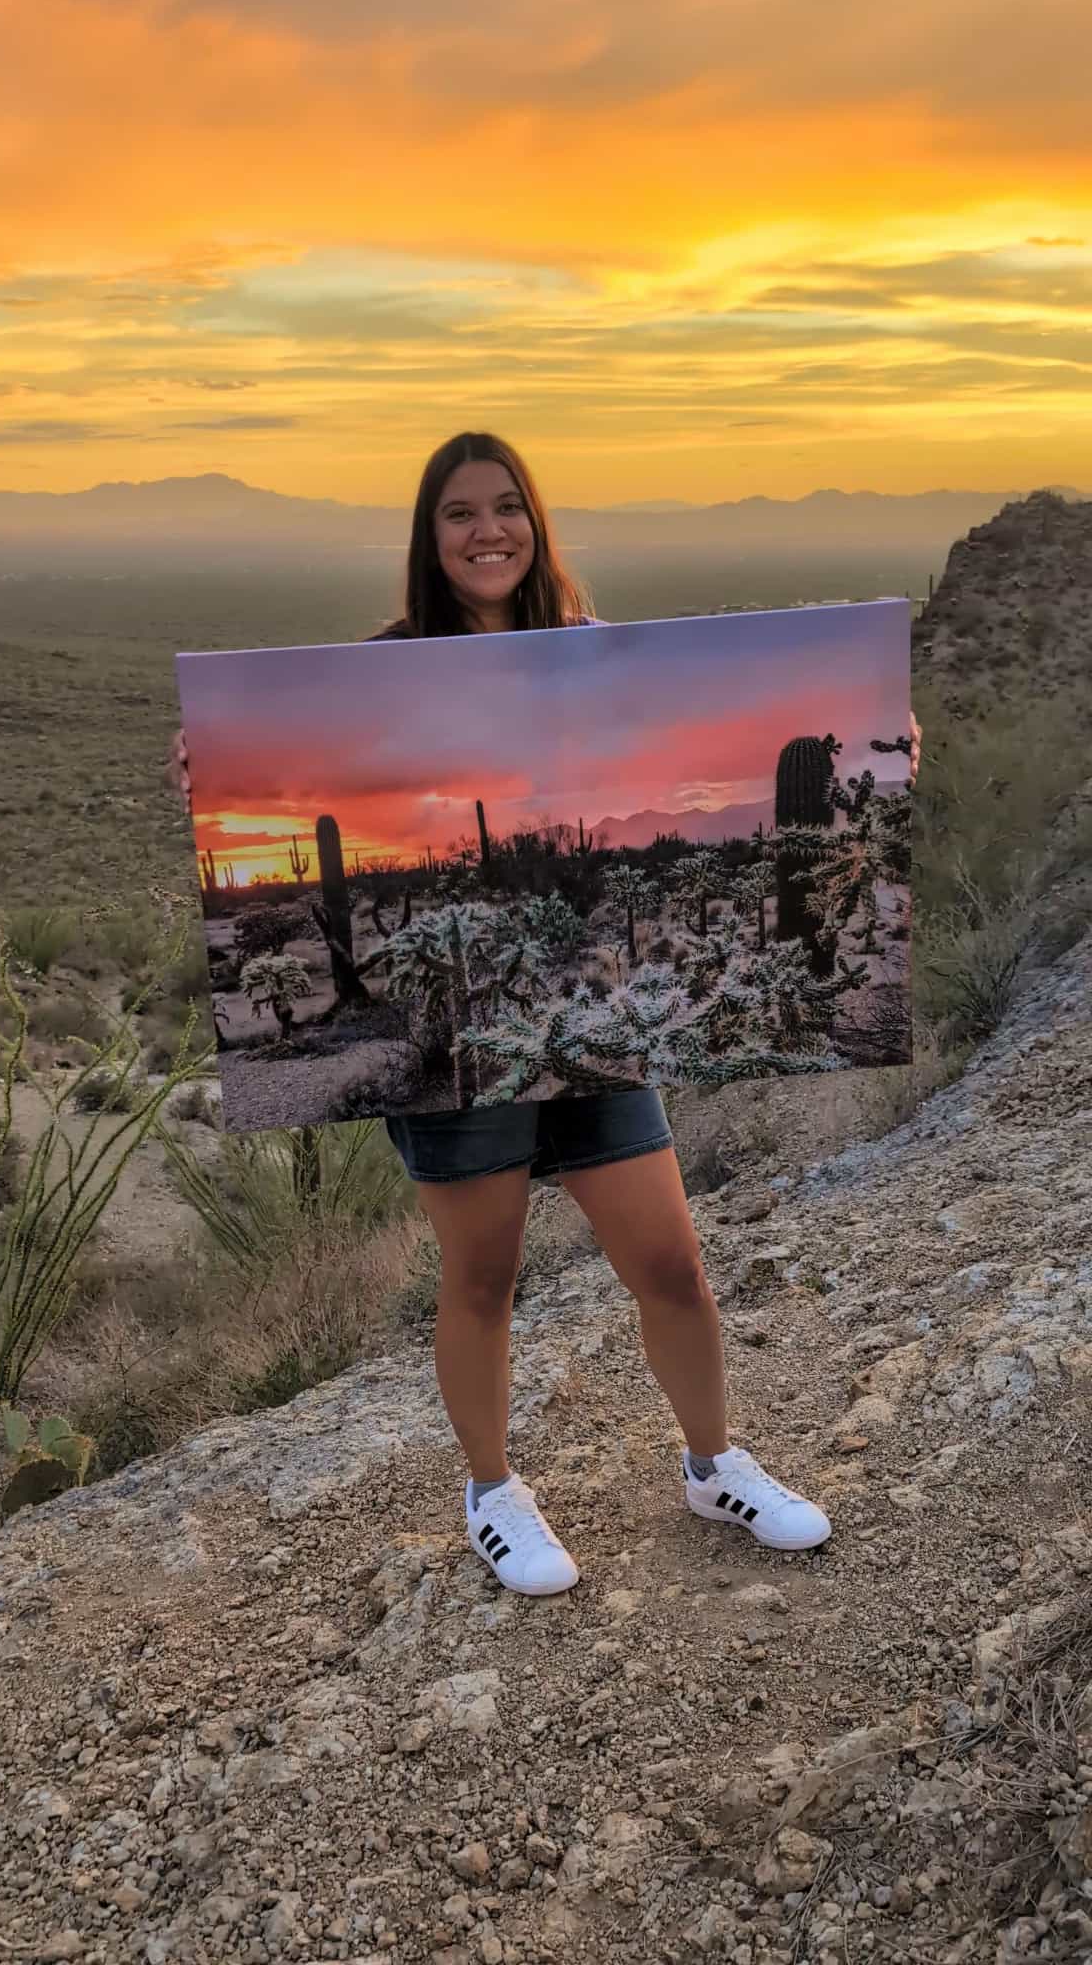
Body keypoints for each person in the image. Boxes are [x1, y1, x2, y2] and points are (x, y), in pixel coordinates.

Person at [172, 428, 922, 1599]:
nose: (488, 531)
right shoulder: (385, 666)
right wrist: (211, 764)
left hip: (598, 1019)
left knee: (671, 1261)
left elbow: (741, 719)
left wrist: (880, 740)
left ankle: (714, 1460)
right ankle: (493, 1492)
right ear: (430, 536)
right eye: (461, 512)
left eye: (507, 506)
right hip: (463, 1035)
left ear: (536, 521)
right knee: (483, 1276)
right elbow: (279, 769)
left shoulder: (588, 650)